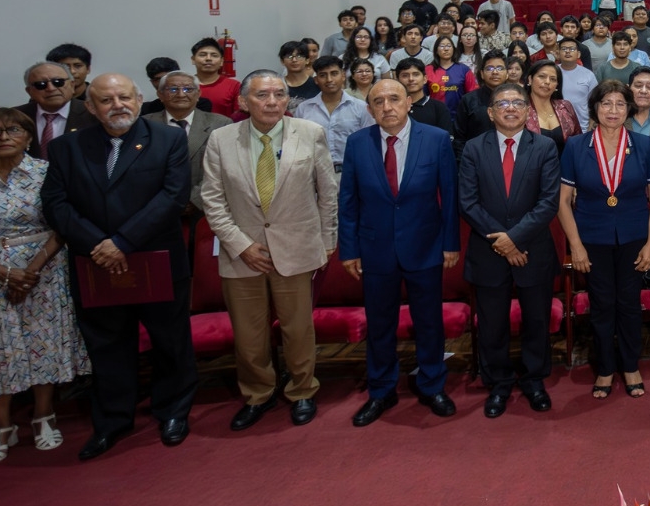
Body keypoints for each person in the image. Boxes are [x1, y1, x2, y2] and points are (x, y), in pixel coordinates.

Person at [41, 74, 194, 460]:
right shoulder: (66, 148)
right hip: (96, 264)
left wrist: (122, 242)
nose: (117, 105)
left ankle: (173, 411)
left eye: (124, 97)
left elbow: (173, 198)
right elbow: (56, 205)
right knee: (107, 345)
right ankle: (112, 421)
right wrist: (98, 244)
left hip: (154, 259)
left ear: (139, 99)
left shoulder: (169, 139)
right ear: (89, 107)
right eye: (105, 100)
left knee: (169, 341)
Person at [198, 72, 336, 431]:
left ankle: (302, 390)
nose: (273, 101)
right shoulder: (221, 139)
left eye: (280, 94)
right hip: (241, 251)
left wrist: (327, 242)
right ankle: (258, 393)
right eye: (262, 95)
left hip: (297, 248)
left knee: (298, 328)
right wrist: (240, 245)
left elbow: (328, 193)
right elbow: (212, 199)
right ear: (244, 101)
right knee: (249, 332)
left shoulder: (310, 133)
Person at [0, 108, 89, 466]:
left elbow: (62, 224)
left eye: (13, 129)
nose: (3, 136)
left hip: (43, 271)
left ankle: (43, 417)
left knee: (41, 343)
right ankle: (1, 427)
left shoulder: (47, 175)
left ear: (29, 137)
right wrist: (4, 273)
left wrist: (29, 271)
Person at [338, 79, 460, 426]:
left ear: (409, 102)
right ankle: (381, 390)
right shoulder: (357, 143)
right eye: (379, 101)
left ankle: (433, 384)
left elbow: (449, 196)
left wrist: (450, 242)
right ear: (369, 108)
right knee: (380, 325)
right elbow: (347, 201)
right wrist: (349, 249)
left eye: (394, 98)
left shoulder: (435, 140)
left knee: (429, 322)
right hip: (374, 249)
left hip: (425, 246)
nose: (387, 106)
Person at [458, 80, 560, 418]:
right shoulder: (473, 148)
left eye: (517, 102)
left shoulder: (544, 147)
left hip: (533, 249)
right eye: (503, 103)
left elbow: (548, 203)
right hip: (490, 251)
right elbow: (468, 203)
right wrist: (503, 241)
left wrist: (514, 238)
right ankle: (499, 383)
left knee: (536, 319)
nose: (511, 108)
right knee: (492, 323)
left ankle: (534, 380)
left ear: (529, 110)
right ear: (491, 112)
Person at [557, 80, 650, 400]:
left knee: (629, 303)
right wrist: (575, 245)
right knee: (602, 304)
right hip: (592, 239)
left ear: (629, 109)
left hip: (634, 237)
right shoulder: (576, 146)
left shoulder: (644, 147)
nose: (613, 111)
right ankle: (605, 368)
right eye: (606, 104)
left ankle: (630, 365)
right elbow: (563, 202)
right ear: (595, 109)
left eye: (620, 104)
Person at [144, 70, 231, 216]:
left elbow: (225, 168)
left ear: (198, 94)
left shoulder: (221, 124)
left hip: (206, 210)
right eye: (173, 89)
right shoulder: (145, 125)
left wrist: (193, 200)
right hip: (155, 210)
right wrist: (166, 202)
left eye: (188, 89)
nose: (181, 94)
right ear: (160, 95)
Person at [293, 56, 374, 173]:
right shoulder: (304, 109)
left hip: (352, 172)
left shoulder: (361, 108)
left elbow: (368, 144)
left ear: (342, 76)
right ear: (316, 80)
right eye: (323, 75)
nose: (329, 79)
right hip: (314, 173)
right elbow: (298, 144)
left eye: (334, 73)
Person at [17, 62, 97, 160]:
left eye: (58, 82)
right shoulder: (16, 116)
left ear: (72, 86)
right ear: (29, 91)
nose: (51, 88)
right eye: (41, 85)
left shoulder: (94, 114)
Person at [455, 53, 510, 146]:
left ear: (507, 74)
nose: (495, 72)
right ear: (482, 74)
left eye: (500, 68)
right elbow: (459, 138)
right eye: (489, 69)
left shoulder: (516, 100)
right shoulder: (468, 100)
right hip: (475, 156)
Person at [524, 59, 582, 147]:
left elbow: (578, 141)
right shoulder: (520, 109)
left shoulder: (565, 106)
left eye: (553, 79)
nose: (547, 82)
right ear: (530, 79)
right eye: (542, 76)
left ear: (556, 86)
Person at [393, 58, 455, 136]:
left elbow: (445, 140)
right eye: (405, 75)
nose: (411, 79)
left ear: (425, 79)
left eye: (416, 74)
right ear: (398, 80)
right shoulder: (392, 107)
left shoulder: (439, 108)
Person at [552, 38, 600, 130]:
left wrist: (590, 126)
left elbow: (595, 103)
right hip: (555, 127)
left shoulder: (588, 75)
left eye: (572, 49)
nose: (568, 52)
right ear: (558, 53)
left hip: (582, 127)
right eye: (564, 49)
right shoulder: (552, 72)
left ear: (578, 54)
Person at [189, 38, 241, 121]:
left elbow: (239, 117)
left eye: (214, 55)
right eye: (202, 55)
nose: (208, 58)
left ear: (221, 61)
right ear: (193, 59)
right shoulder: (185, 86)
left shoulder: (234, 86)